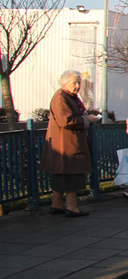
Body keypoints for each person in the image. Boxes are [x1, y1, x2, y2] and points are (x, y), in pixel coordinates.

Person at [40, 70, 100, 217]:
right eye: (74, 82)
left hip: (65, 143)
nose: (78, 86)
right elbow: (65, 120)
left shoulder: (66, 96)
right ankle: (72, 207)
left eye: (79, 82)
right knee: (71, 175)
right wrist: (87, 120)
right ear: (64, 83)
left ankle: (57, 205)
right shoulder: (61, 97)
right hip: (66, 144)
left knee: (61, 175)